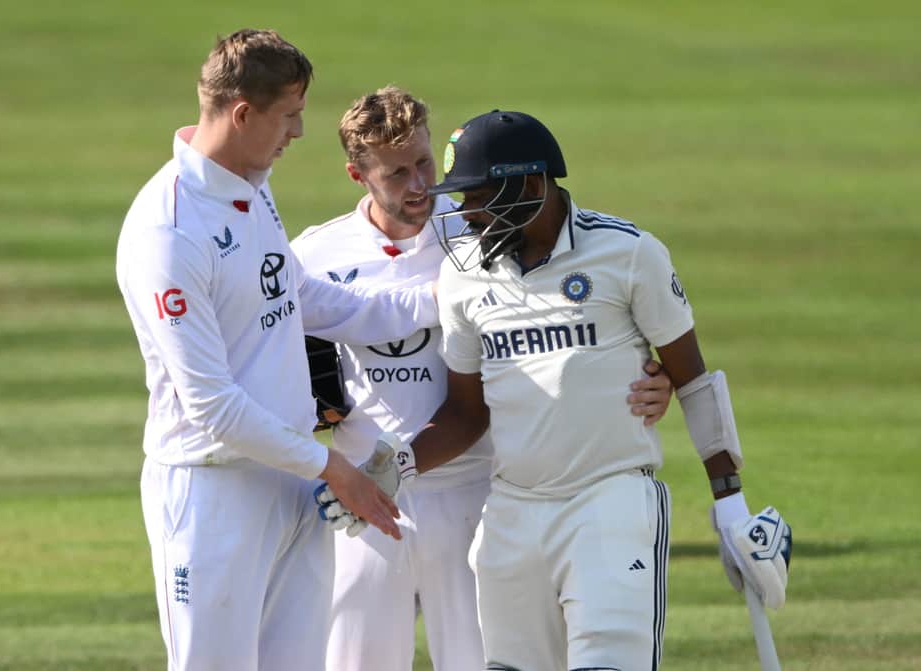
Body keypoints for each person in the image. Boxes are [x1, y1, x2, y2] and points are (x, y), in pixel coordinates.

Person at [317, 109, 792, 670]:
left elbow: (693, 380)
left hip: (609, 501)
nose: (465, 215)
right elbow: (467, 413)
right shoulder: (465, 275)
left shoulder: (627, 253)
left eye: (479, 197)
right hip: (511, 513)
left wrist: (730, 504)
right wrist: (395, 468)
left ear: (530, 186)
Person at [115, 31, 440, 671]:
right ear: (244, 114)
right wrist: (332, 468)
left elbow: (304, 297)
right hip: (214, 491)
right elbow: (211, 404)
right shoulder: (169, 232)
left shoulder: (251, 185)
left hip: (293, 481)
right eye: (290, 115)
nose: (298, 131)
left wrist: (443, 299)